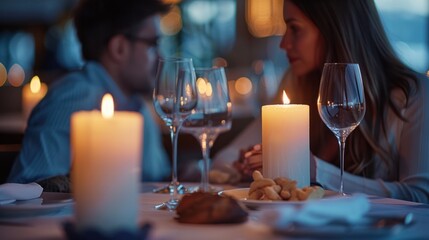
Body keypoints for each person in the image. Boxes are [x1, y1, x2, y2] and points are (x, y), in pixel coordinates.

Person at [211, 0, 429, 203]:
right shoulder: (296, 84)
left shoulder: (412, 93)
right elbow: (223, 160)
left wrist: (317, 170)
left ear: (333, 29)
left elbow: (420, 196)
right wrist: (243, 165)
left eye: (295, 28)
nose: (283, 44)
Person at [7, 0, 171, 191]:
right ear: (119, 48)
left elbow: (151, 181)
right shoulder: (73, 98)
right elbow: (27, 191)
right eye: (153, 44)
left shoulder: (136, 104)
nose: (161, 56)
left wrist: (189, 174)